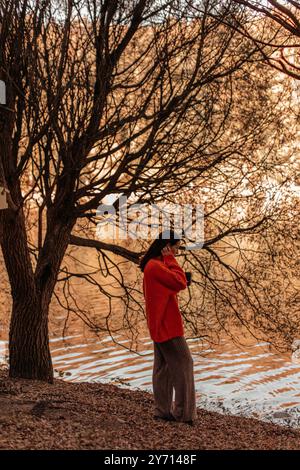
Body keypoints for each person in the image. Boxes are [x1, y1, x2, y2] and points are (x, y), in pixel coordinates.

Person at [140, 230, 197, 425]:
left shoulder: (152, 266)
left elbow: (172, 284)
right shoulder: (155, 266)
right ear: (166, 247)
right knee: (184, 364)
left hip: (159, 325)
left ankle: (162, 411)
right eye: (175, 248)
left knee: (163, 368)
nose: (177, 252)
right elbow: (179, 282)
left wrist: (171, 264)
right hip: (167, 327)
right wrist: (171, 259)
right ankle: (184, 414)